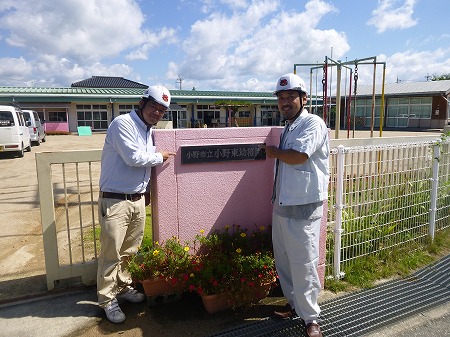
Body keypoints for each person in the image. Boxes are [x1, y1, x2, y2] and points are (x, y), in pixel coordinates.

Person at [97, 85, 176, 323]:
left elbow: (143, 168)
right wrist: (160, 156)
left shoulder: (147, 130)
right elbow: (134, 159)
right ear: (142, 103)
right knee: (111, 253)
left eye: (162, 110)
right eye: (154, 106)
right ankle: (107, 299)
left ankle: (122, 287)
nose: (157, 113)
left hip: (137, 199)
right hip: (115, 200)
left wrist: (147, 190)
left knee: (129, 252)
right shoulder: (123, 124)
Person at [262, 73, 329, 337]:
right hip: (282, 204)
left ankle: (311, 318)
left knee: (304, 263)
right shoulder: (290, 126)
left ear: (304, 98)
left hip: (304, 206)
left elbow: (300, 156)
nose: (285, 102)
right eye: (281, 98)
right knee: (286, 262)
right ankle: (293, 304)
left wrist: (274, 152)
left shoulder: (313, 123)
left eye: (291, 96)